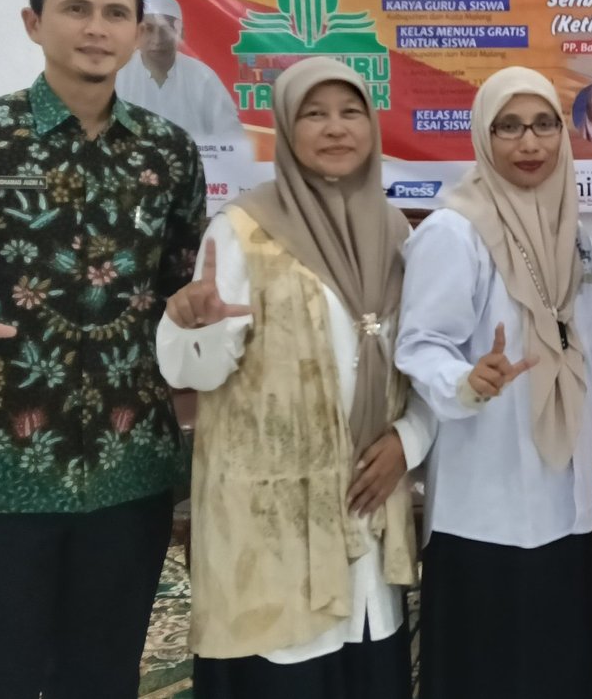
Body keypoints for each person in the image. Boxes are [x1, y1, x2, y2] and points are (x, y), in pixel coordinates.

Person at [0, 0, 206, 698]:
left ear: (137, 30)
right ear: (35, 22)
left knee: (103, 677)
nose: (97, 27)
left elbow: (176, 289)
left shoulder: (167, 153)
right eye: (76, 9)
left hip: (128, 472)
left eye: (115, 13)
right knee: (0, 678)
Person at [157, 57, 428, 698]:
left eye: (351, 112)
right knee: (288, 671)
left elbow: (423, 363)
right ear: (283, 128)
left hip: (367, 508)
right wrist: (194, 326)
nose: (335, 128)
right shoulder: (241, 232)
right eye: (314, 114)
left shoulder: (395, 233)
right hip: (272, 525)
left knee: (367, 669)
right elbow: (193, 371)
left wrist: (408, 441)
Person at [396, 67, 592, 697]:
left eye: (544, 125)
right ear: (484, 135)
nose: (530, 143)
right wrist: (467, 379)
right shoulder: (455, 231)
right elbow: (420, 345)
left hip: (565, 497)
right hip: (485, 503)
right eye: (509, 127)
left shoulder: (567, 233)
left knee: (562, 667)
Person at [116, 0, 246, 140]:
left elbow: (232, 135)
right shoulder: (116, 74)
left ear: (181, 34)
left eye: (166, 30)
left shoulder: (202, 77)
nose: (157, 40)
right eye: (149, 29)